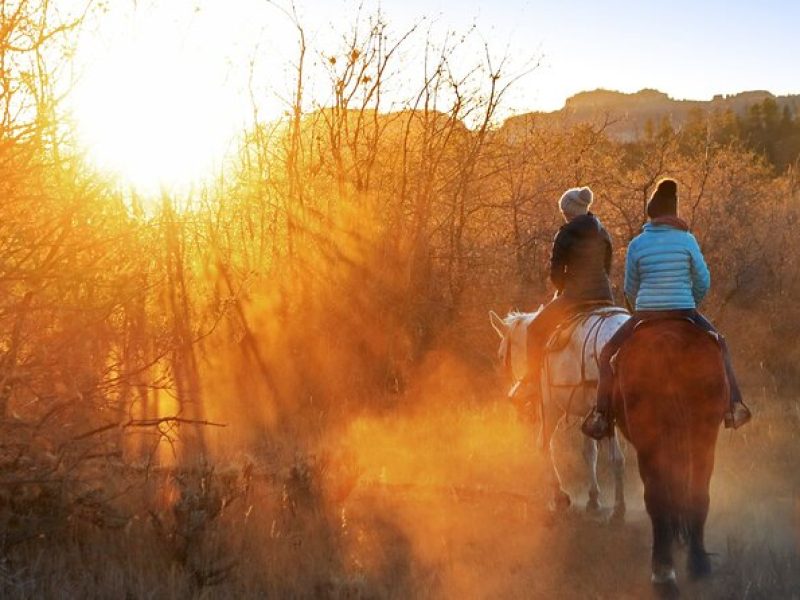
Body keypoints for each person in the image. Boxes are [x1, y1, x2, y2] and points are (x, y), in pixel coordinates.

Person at [581, 179, 752, 440]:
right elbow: (703, 279)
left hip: (646, 313)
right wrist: (689, 301)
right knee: (720, 343)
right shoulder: (688, 240)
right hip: (685, 310)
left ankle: (602, 416)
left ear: (652, 214)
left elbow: (630, 286)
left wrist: (642, 307)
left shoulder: (638, 243)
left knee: (606, 355)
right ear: (673, 213)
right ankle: (734, 406)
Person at [518, 186, 614, 399]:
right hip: (605, 296)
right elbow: (607, 267)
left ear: (569, 210)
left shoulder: (565, 233)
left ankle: (532, 383)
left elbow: (556, 274)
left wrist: (563, 291)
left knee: (534, 329)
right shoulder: (603, 231)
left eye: (564, 210)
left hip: (576, 297)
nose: (563, 214)